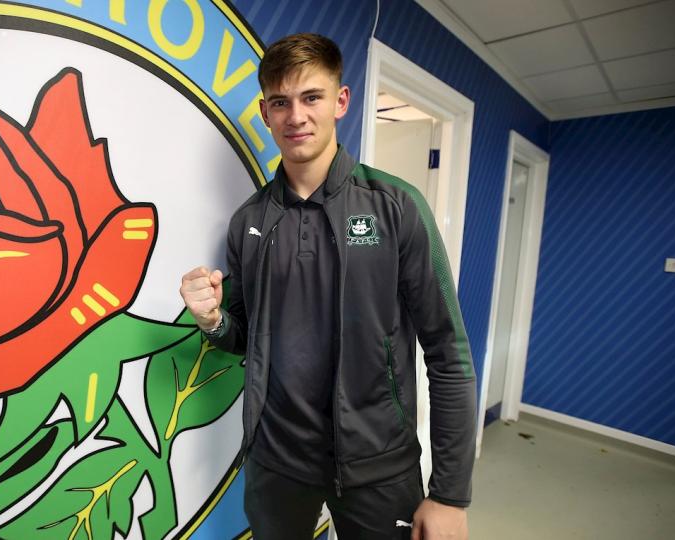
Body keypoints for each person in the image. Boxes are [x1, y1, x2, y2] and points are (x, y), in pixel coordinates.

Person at [179, 33, 475, 540]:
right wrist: (213, 321)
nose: (296, 116)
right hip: (276, 462)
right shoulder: (248, 222)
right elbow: (244, 336)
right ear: (265, 112)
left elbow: (449, 353)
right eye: (280, 102)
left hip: (379, 465)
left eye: (311, 97)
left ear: (340, 101)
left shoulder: (397, 207)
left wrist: (449, 493)